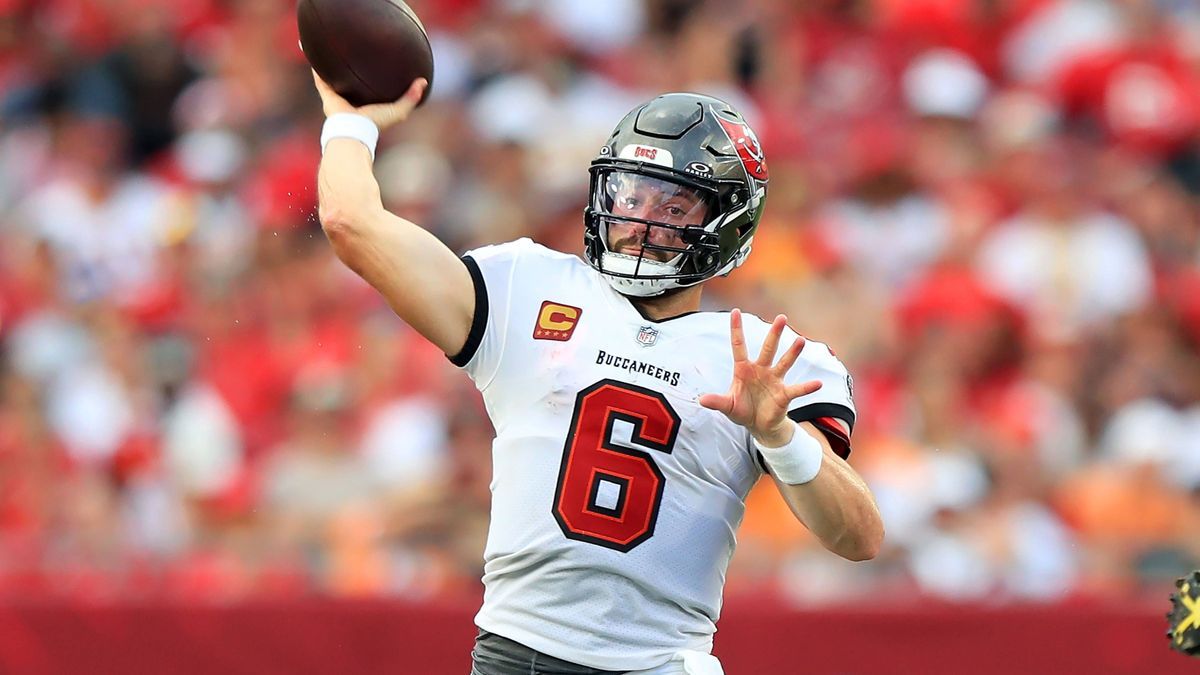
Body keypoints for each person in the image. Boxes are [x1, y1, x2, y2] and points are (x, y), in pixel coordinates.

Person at [312, 73, 884, 675]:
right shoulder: (526, 288)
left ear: (728, 221)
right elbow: (352, 223)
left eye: (672, 205)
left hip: (658, 664)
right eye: (631, 196)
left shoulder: (759, 356)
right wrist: (351, 121)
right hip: (514, 654)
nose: (639, 221)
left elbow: (859, 538)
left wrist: (780, 436)